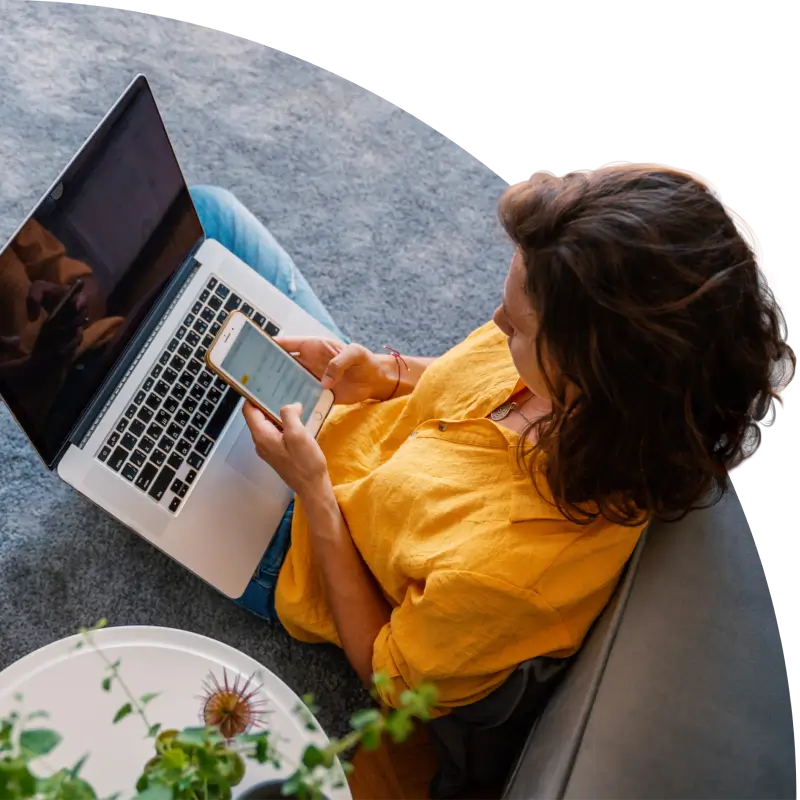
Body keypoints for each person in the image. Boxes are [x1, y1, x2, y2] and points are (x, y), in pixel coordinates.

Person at [188, 162, 794, 715]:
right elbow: (470, 377)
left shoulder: (510, 577)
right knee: (208, 218)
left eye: (517, 327)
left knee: (114, 422)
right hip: (337, 425)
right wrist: (385, 372)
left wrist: (315, 489)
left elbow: (386, 676)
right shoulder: (578, 354)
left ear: (598, 374)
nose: (496, 322)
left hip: (303, 552)